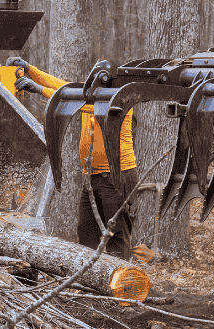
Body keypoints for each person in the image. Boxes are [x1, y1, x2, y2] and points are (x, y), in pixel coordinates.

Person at [8, 58, 138, 259]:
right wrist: (30, 69)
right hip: (92, 178)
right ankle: (91, 280)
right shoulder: (89, 96)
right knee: (86, 233)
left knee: (117, 236)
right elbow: (61, 87)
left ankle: (123, 283)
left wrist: (39, 90)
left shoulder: (120, 101)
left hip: (116, 178)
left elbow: (77, 102)